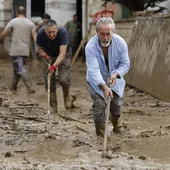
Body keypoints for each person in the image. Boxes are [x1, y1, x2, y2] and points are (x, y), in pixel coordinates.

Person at [85, 17, 130, 137]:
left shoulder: (121, 43)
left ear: (113, 32)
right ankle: (100, 135)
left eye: (108, 34)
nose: (105, 37)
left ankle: (116, 123)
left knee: (116, 109)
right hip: (96, 82)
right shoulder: (90, 46)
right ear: (97, 33)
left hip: (115, 80)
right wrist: (103, 87)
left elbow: (125, 64)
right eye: (102, 34)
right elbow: (93, 70)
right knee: (99, 106)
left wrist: (116, 74)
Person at [36, 19, 75, 113]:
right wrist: (45, 56)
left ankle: (67, 98)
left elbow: (62, 54)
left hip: (64, 55)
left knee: (63, 79)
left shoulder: (63, 32)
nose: (51, 34)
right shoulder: (41, 33)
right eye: (49, 32)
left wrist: (53, 67)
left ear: (57, 29)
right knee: (49, 81)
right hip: (49, 55)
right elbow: (39, 49)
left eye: (53, 32)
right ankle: (53, 108)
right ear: (45, 31)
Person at [0, 6, 36, 93]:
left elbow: (4, 34)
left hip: (16, 50)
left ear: (17, 12)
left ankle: (30, 86)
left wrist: (1, 40)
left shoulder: (13, 21)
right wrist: (39, 48)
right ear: (25, 13)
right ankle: (13, 87)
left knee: (20, 69)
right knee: (18, 69)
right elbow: (35, 38)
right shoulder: (31, 23)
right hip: (25, 50)